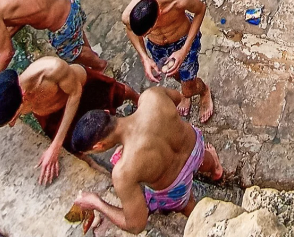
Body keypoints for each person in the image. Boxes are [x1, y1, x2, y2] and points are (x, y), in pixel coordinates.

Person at [70, 87, 223, 232]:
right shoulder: (151, 97)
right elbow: (177, 98)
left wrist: (96, 203)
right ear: (106, 112)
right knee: (202, 157)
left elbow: (136, 225)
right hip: (194, 147)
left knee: (187, 204)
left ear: (99, 146)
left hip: (176, 187)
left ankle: (203, 224)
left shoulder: (123, 171)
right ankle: (215, 169)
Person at [0, 58, 138, 184]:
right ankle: (102, 171)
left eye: (15, 118)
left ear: (23, 98)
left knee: (117, 94)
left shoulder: (51, 69)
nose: (13, 124)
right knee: (73, 147)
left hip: (81, 88)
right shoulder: (9, 98)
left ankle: (139, 100)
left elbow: (75, 93)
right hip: (50, 112)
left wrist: (55, 145)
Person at [122, 0, 213, 122]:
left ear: (159, 12)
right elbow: (130, 30)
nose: (146, 35)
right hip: (157, 47)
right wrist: (144, 57)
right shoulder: (128, 15)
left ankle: (203, 91)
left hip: (184, 41)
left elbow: (201, 9)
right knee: (173, 74)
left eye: (149, 31)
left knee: (188, 88)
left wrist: (184, 51)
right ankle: (186, 92)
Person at [0, 0, 106, 81]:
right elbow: (20, 18)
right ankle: (91, 56)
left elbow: (7, 53)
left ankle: (100, 65)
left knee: (70, 53)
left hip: (64, 20)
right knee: (76, 37)